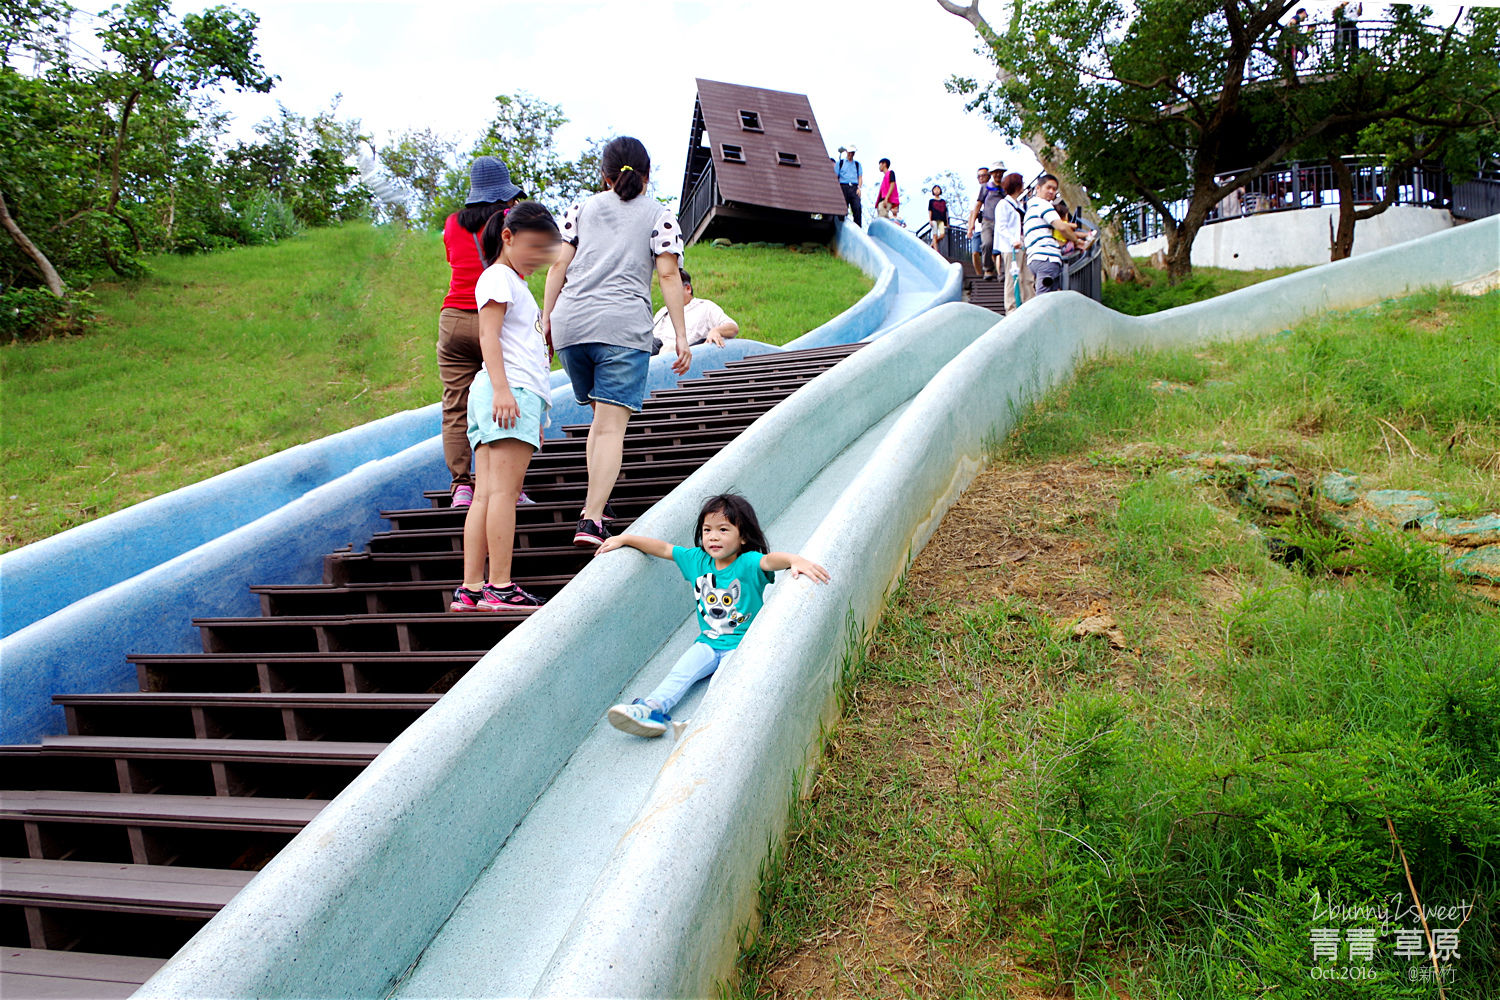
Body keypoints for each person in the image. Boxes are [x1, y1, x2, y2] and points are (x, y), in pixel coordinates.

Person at [544, 136, 691, 549]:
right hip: (622, 329)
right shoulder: (660, 216)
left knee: (599, 420)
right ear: (647, 176)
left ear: (604, 176)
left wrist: (546, 322)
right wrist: (680, 335)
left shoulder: (581, 207)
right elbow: (667, 276)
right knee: (610, 429)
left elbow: (559, 264)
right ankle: (591, 521)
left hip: (572, 324)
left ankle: (599, 500)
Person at [596, 493, 830, 737]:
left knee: (724, 683)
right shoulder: (697, 560)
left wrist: (794, 559)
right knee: (680, 672)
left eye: (723, 530)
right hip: (707, 642)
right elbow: (664, 548)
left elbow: (771, 561)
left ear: (742, 538)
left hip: (741, 646)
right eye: (707, 530)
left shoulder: (747, 562)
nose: (713, 537)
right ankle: (652, 709)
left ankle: (701, 721)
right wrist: (624, 539)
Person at [449, 202, 561, 613]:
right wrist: (503, 391)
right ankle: (500, 585)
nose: (537, 258)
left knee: (485, 495)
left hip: (507, 395)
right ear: (508, 237)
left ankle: (472, 588)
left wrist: (538, 414)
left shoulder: (512, 282)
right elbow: (488, 338)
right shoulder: (499, 278)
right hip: (505, 391)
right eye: (533, 248)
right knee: (503, 495)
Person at [438, 156, 524, 508]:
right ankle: (510, 487)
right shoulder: (510, 222)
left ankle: (461, 485)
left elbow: (454, 260)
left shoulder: (452, 223)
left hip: (454, 319)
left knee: (456, 405)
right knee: (506, 397)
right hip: (497, 319)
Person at [650, 269, 738, 351]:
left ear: (688, 288)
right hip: (654, 354)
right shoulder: (663, 312)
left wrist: (716, 331)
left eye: (672, 287)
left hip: (682, 355)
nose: (667, 292)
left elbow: (733, 327)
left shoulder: (705, 307)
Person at [1023, 173, 1082, 295]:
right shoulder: (1043, 205)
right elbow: (1061, 227)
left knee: (1050, 297)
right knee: (1044, 300)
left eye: (1054, 189)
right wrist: (1077, 241)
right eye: (1048, 187)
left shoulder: (1031, 208)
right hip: (1046, 258)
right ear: (1038, 188)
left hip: (1035, 259)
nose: (1051, 191)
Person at [971, 165, 1005, 280]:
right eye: (996, 172)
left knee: (1002, 248)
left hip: (1001, 222)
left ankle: (1002, 272)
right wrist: (971, 225)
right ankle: (988, 269)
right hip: (987, 221)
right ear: (992, 174)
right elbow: (978, 205)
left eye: (1000, 172)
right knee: (986, 243)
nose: (998, 174)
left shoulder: (1005, 188)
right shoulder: (986, 187)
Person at [965, 165, 991, 277]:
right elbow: (972, 212)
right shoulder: (974, 194)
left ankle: (990, 272)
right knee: (975, 252)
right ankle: (979, 275)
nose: (981, 178)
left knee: (990, 250)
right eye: (979, 176)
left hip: (990, 225)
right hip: (978, 226)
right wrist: (970, 227)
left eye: (983, 175)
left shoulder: (993, 190)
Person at [836, 145, 863, 226]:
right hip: (843, 186)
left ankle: (858, 227)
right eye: (849, 152)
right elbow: (835, 176)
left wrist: (859, 188)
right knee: (842, 208)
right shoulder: (840, 163)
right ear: (846, 152)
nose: (851, 154)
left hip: (854, 187)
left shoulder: (857, 164)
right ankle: (840, 225)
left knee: (857, 207)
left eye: (852, 153)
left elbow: (860, 177)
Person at [927, 185, 949, 252]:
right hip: (934, 219)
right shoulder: (931, 201)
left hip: (941, 219)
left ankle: (932, 244)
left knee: (942, 235)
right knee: (935, 235)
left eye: (938, 189)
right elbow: (930, 210)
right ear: (933, 191)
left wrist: (947, 222)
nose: (936, 190)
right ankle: (936, 251)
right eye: (935, 189)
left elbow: (946, 212)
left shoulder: (943, 201)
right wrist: (930, 220)